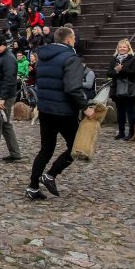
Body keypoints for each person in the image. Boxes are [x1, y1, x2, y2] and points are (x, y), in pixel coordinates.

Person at [25, 27, 97, 201]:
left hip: (46, 109)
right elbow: (73, 88)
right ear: (69, 40)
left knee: (46, 149)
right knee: (75, 147)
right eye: (73, 39)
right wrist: (85, 107)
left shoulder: (42, 58)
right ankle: (51, 174)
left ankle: (33, 186)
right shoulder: (71, 59)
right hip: (64, 111)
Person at [106, 39, 135, 140]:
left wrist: (122, 70)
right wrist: (116, 70)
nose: (122, 49)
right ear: (117, 48)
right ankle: (121, 132)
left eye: (124, 47)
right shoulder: (114, 59)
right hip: (117, 89)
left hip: (129, 89)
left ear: (128, 48)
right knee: (120, 112)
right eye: (120, 47)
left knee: (130, 112)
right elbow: (109, 74)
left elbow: (134, 72)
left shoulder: (133, 59)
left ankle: (131, 133)